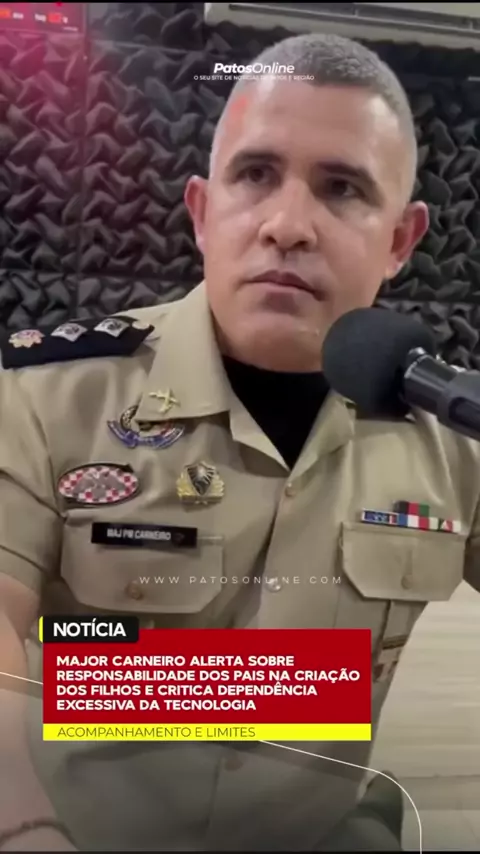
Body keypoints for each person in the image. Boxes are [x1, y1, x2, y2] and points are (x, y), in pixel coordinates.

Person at [0, 30, 478, 852]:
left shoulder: (453, 434)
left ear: (401, 241)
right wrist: (24, 828)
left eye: (342, 189)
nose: (288, 225)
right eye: (255, 175)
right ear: (202, 211)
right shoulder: (48, 396)